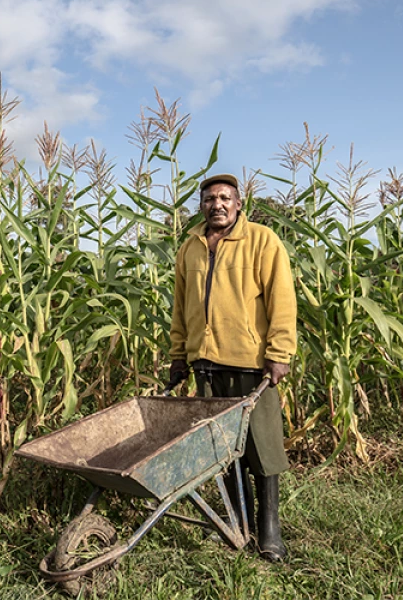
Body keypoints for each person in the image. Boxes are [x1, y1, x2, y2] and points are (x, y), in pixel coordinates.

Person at [168, 173, 296, 562]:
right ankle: (237, 521)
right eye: (209, 199)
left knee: (262, 448)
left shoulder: (262, 241)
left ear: (239, 204)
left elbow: (282, 299)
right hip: (206, 363)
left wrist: (280, 352)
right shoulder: (189, 247)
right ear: (201, 205)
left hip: (250, 363)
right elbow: (180, 307)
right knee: (224, 449)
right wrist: (179, 355)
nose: (217, 204)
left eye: (225, 198)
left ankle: (269, 530)